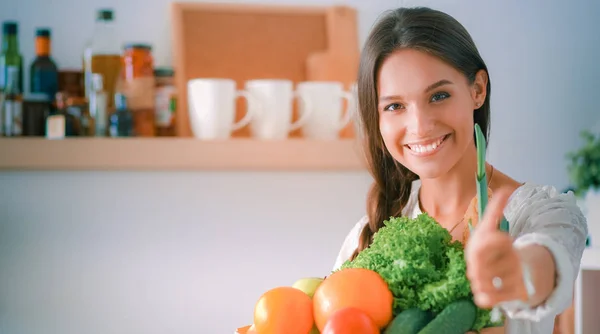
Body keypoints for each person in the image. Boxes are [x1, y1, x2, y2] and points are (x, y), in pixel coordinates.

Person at [332, 7, 588, 334]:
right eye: (395, 106)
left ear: (477, 90)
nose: (420, 126)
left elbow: (545, 263)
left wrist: (517, 272)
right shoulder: (365, 235)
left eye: (438, 95)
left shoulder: (542, 214)